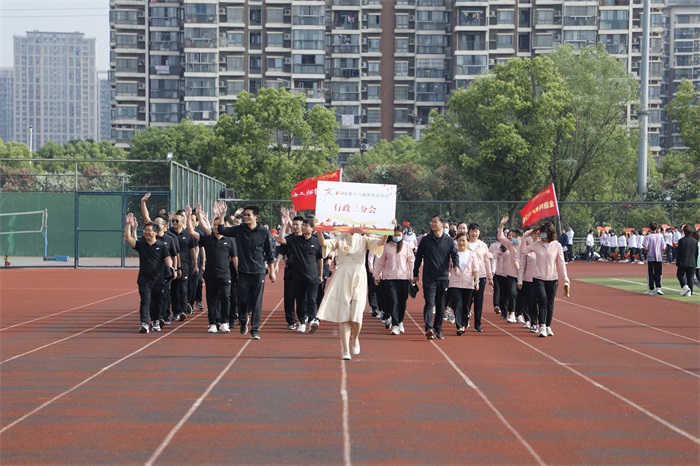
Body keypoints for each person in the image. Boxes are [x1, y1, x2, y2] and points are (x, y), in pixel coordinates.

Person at [316, 227, 389, 360]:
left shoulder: (364, 239)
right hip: (343, 275)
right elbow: (324, 244)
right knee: (344, 315)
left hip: (359, 276)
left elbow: (380, 244)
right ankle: (345, 349)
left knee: (356, 315)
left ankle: (355, 338)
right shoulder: (340, 239)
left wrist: (386, 230)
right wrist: (319, 229)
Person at [215, 201, 276, 340]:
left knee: (256, 302)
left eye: (248, 215)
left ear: (256, 216)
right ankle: (243, 320)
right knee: (242, 301)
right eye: (244, 215)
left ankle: (255, 329)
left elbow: (270, 253)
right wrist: (222, 214)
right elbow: (222, 230)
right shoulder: (240, 229)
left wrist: (271, 271)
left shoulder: (264, 232)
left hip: (259, 272)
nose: (246, 217)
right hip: (243, 272)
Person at [185, 204, 237, 333]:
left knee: (226, 297)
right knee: (212, 299)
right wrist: (188, 217)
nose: (216, 227)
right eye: (213, 225)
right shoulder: (207, 239)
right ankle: (213, 323)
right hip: (210, 275)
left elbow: (234, 258)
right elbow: (192, 232)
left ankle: (224, 322)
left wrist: (238, 271)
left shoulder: (230, 241)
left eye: (218, 225)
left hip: (225, 275)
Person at [124, 212, 173, 333]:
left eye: (149, 230)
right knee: (145, 301)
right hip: (144, 280)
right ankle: (144, 323)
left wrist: (170, 268)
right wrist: (128, 225)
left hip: (159, 280)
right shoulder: (141, 245)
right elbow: (128, 238)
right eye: (145, 230)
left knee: (157, 302)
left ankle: (156, 321)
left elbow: (168, 259)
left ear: (156, 232)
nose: (146, 232)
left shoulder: (162, 246)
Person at [413, 214, 460, 340]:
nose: (432, 224)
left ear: (442, 224)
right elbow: (418, 258)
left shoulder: (449, 240)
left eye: (435, 222)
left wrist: (456, 266)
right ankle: (429, 328)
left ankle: (438, 329)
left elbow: (455, 254)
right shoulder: (425, 240)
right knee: (429, 303)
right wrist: (415, 273)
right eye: (431, 222)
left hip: (443, 278)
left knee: (441, 305)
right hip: (429, 278)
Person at [522, 222, 570, 338]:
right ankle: (542, 326)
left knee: (550, 303)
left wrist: (565, 279)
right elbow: (524, 251)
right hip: (538, 278)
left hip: (552, 278)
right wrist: (524, 237)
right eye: (541, 232)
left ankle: (548, 326)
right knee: (542, 300)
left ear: (550, 233)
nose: (542, 234)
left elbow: (561, 263)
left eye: (544, 232)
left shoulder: (556, 245)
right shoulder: (536, 244)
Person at [276, 217, 324, 333]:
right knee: (300, 301)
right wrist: (284, 224)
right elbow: (281, 239)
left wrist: (320, 274)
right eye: (303, 225)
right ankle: (302, 322)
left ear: (312, 229)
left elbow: (320, 259)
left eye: (306, 226)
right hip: (297, 277)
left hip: (312, 276)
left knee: (312, 300)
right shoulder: (295, 240)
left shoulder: (316, 242)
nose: (303, 227)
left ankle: (312, 320)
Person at [373, 225, 415, 335]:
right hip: (389, 278)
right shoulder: (386, 247)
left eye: (399, 235)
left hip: (403, 278)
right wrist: (377, 275)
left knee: (402, 302)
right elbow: (380, 262)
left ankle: (400, 321)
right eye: (395, 235)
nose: (397, 237)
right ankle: (395, 324)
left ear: (402, 234)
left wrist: (412, 275)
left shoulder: (406, 246)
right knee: (393, 301)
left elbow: (411, 261)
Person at [447, 232, 481, 335]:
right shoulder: (452, 254)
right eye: (459, 240)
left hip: (468, 284)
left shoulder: (472, 255)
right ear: (456, 242)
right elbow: (447, 268)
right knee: (458, 304)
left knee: (466, 306)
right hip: (455, 284)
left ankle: (464, 324)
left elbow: (475, 270)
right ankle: (459, 326)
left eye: (464, 240)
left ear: (467, 242)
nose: (461, 243)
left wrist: (476, 281)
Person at [466, 222, 493, 333]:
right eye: (472, 230)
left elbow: (487, 262)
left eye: (476, 231)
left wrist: (490, 277)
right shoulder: (465, 244)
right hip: (467, 276)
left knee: (478, 300)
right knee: (467, 300)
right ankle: (464, 320)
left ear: (479, 232)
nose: (474, 233)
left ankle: (477, 324)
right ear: (469, 232)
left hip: (481, 276)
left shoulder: (483, 245)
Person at [496, 216, 522, 324]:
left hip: (523, 274)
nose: (513, 238)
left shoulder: (526, 246)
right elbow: (501, 237)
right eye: (512, 237)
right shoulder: (510, 245)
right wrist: (501, 225)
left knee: (521, 295)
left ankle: (519, 314)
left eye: (516, 237)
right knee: (512, 293)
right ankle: (511, 313)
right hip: (511, 273)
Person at [642, 222, 666, 295]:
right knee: (658, 273)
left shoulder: (648, 237)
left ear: (650, 228)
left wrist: (647, 250)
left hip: (651, 256)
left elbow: (645, 247)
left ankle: (651, 289)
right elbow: (663, 247)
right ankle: (659, 287)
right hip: (658, 256)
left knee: (650, 273)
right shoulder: (660, 236)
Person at [675, 225, 698, 297]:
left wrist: (678, 262)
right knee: (690, 277)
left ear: (684, 232)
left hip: (683, 261)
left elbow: (679, 252)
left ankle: (685, 287)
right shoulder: (695, 241)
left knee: (680, 275)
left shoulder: (681, 241)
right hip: (692, 261)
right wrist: (695, 261)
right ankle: (690, 292)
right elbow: (696, 253)